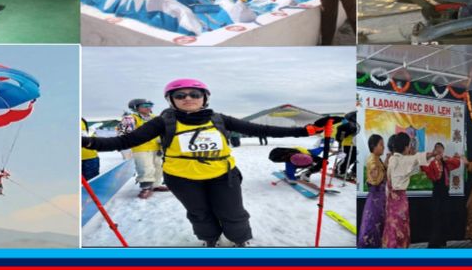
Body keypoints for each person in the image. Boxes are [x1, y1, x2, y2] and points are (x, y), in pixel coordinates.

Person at [80, 79, 315, 247]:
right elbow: (126, 140)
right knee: (199, 213)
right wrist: (87, 143)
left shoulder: (219, 119)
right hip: (182, 179)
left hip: (222, 175)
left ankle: (240, 240)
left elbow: (261, 129)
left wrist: (305, 131)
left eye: (194, 94)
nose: (188, 99)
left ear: (204, 98)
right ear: (172, 100)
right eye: (180, 95)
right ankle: (209, 240)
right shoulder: (163, 122)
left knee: (233, 212)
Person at [382, 132, 432, 247]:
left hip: (391, 202)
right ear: (405, 147)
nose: (410, 148)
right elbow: (416, 160)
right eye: (409, 145)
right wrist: (432, 153)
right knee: (399, 228)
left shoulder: (393, 159)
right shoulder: (401, 160)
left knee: (392, 227)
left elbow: (412, 166)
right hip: (399, 202)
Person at [120, 98, 164, 197]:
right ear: (135, 108)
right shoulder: (131, 118)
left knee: (158, 167)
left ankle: (156, 185)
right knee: (145, 168)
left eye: (150, 105)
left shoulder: (154, 117)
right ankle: (146, 187)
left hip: (156, 147)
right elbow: (124, 133)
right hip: (141, 148)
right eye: (145, 106)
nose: (148, 108)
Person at [357, 134, 386, 248]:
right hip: (375, 198)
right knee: (372, 226)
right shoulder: (372, 159)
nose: (383, 147)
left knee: (376, 225)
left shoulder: (377, 159)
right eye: (381, 145)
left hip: (379, 199)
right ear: (374, 146)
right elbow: (375, 179)